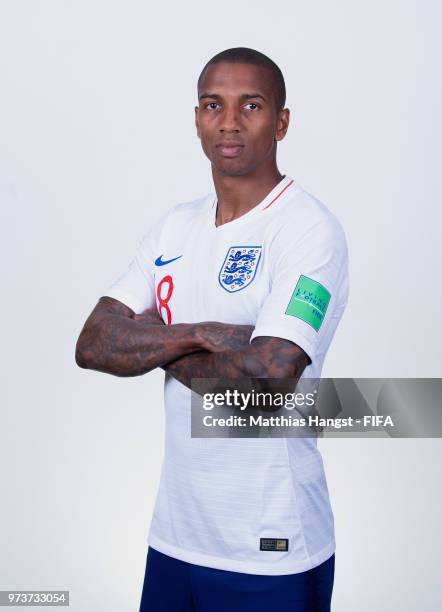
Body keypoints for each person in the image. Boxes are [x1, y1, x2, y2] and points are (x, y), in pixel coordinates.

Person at [75, 47, 349, 612]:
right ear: (197, 118)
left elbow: (265, 383)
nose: (228, 121)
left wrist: (153, 340)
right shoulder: (175, 227)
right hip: (175, 538)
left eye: (251, 105)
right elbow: (93, 342)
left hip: (271, 545)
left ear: (281, 121)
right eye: (212, 105)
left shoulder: (308, 231)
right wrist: (199, 333)